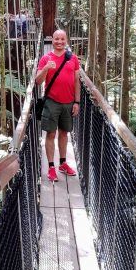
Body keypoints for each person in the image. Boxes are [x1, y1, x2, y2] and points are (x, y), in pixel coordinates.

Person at [35, 29, 80, 182]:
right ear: (52, 40)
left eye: (62, 39)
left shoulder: (73, 58)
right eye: (56, 39)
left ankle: (63, 164)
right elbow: (38, 81)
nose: (59, 42)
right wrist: (46, 68)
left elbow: (76, 81)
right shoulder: (45, 58)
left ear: (66, 40)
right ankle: (51, 167)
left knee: (64, 133)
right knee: (51, 134)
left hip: (69, 103)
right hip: (52, 102)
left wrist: (77, 102)